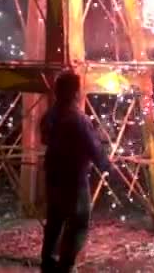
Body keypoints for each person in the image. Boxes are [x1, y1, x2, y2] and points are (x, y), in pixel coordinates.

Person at [40, 70, 112, 273]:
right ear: (75, 92)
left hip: (53, 176)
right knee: (78, 222)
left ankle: (49, 264)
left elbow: (44, 137)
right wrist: (106, 165)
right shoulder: (78, 119)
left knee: (54, 221)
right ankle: (66, 265)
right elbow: (93, 147)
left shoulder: (51, 114)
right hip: (74, 179)